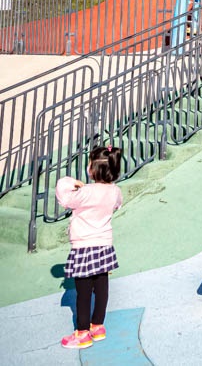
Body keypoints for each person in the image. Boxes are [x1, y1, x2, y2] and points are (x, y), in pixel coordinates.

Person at [55, 145, 123, 350]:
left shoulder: (84, 192)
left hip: (84, 246)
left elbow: (63, 196)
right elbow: (118, 204)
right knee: (101, 288)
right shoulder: (115, 191)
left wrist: (70, 182)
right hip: (104, 245)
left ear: (92, 169)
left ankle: (82, 332)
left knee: (83, 292)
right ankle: (98, 326)